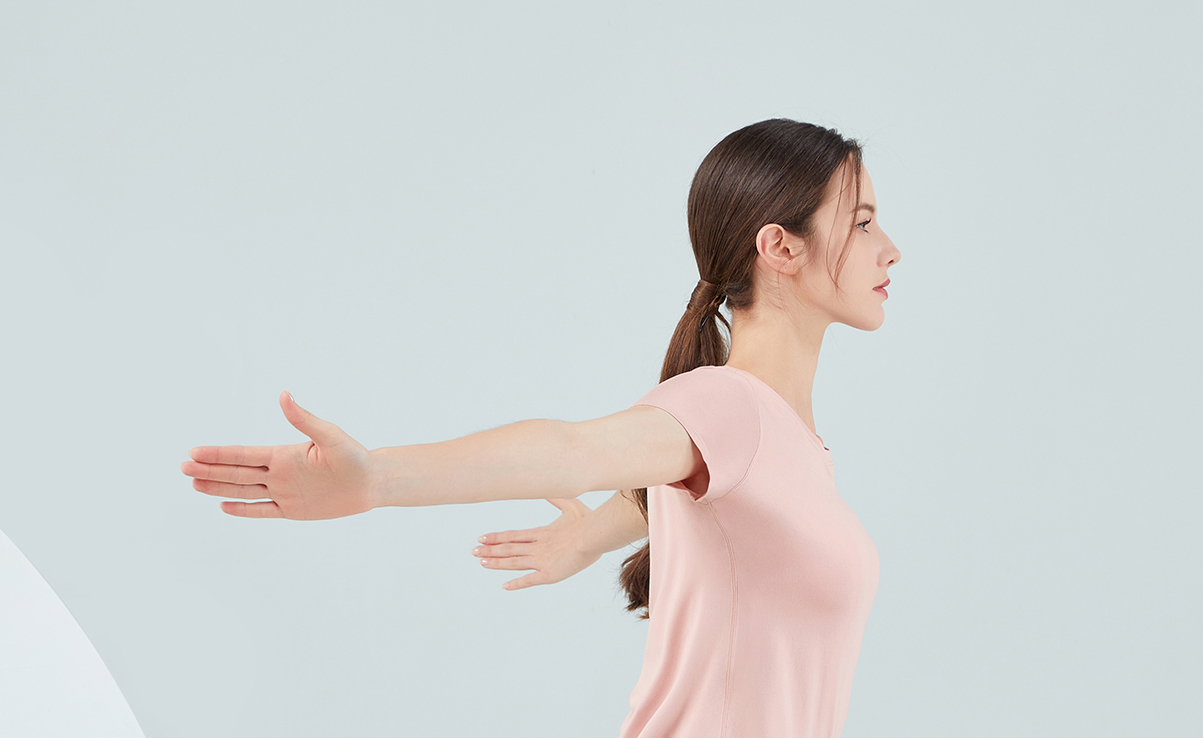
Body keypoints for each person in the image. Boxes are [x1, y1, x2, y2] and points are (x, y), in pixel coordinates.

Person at [180, 118, 902, 738]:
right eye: (863, 222)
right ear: (781, 248)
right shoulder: (728, 406)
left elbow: (720, 500)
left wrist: (589, 536)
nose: (890, 248)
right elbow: (573, 450)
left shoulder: (776, 440)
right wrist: (378, 478)